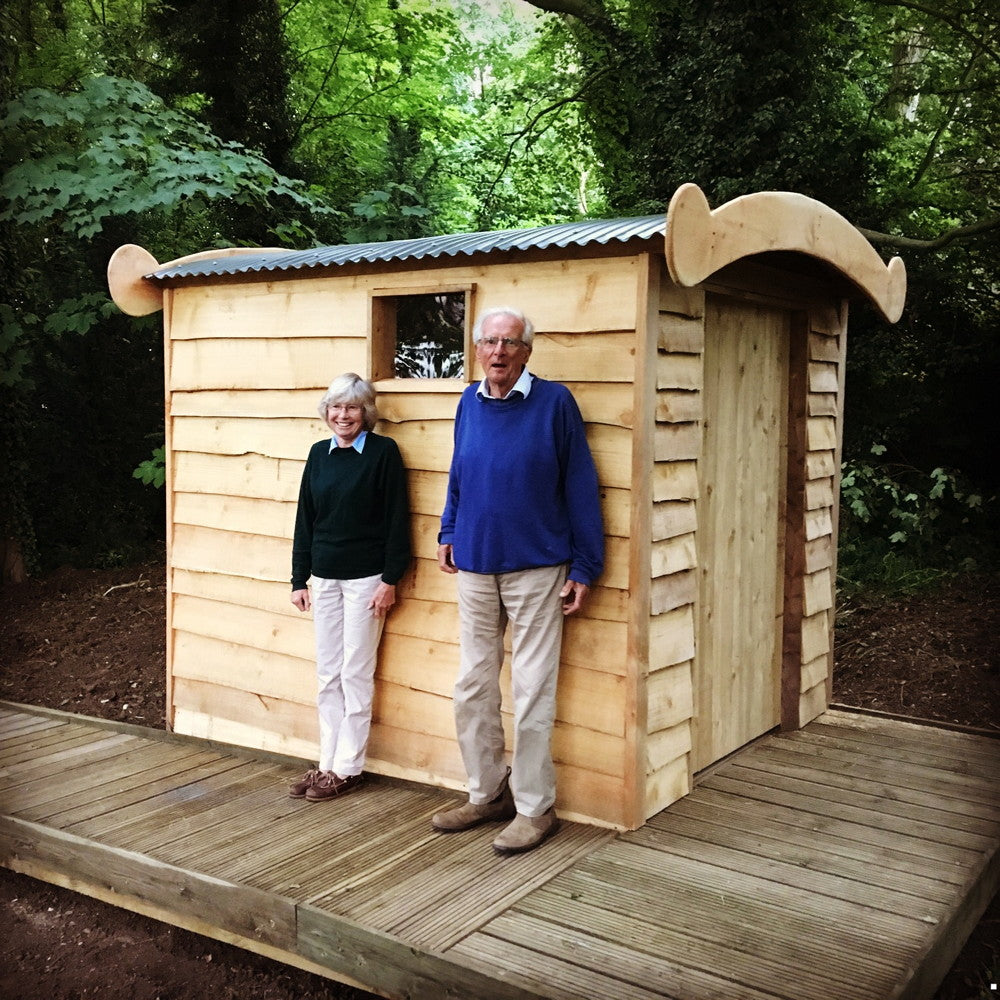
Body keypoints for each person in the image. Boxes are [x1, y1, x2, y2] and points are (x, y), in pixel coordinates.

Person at [432, 306, 604, 855]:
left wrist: (585, 565)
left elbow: (581, 486)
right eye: (490, 343)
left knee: (532, 690)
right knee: (472, 686)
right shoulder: (468, 402)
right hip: (476, 565)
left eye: (509, 343)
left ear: (528, 350)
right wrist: (449, 529)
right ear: (477, 349)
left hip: (538, 567)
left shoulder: (554, 403)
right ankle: (487, 793)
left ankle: (535, 807)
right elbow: (460, 472)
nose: (499, 353)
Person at [288, 373, 410, 802]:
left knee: (355, 672)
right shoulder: (319, 455)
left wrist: (391, 578)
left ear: (366, 414)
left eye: (353, 408)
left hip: (366, 581)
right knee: (327, 674)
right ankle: (326, 763)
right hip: (323, 577)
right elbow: (306, 519)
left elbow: (398, 519)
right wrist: (298, 578)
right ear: (327, 412)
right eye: (337, 407)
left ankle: (348, 767)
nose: (344, 415)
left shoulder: (382, 454)